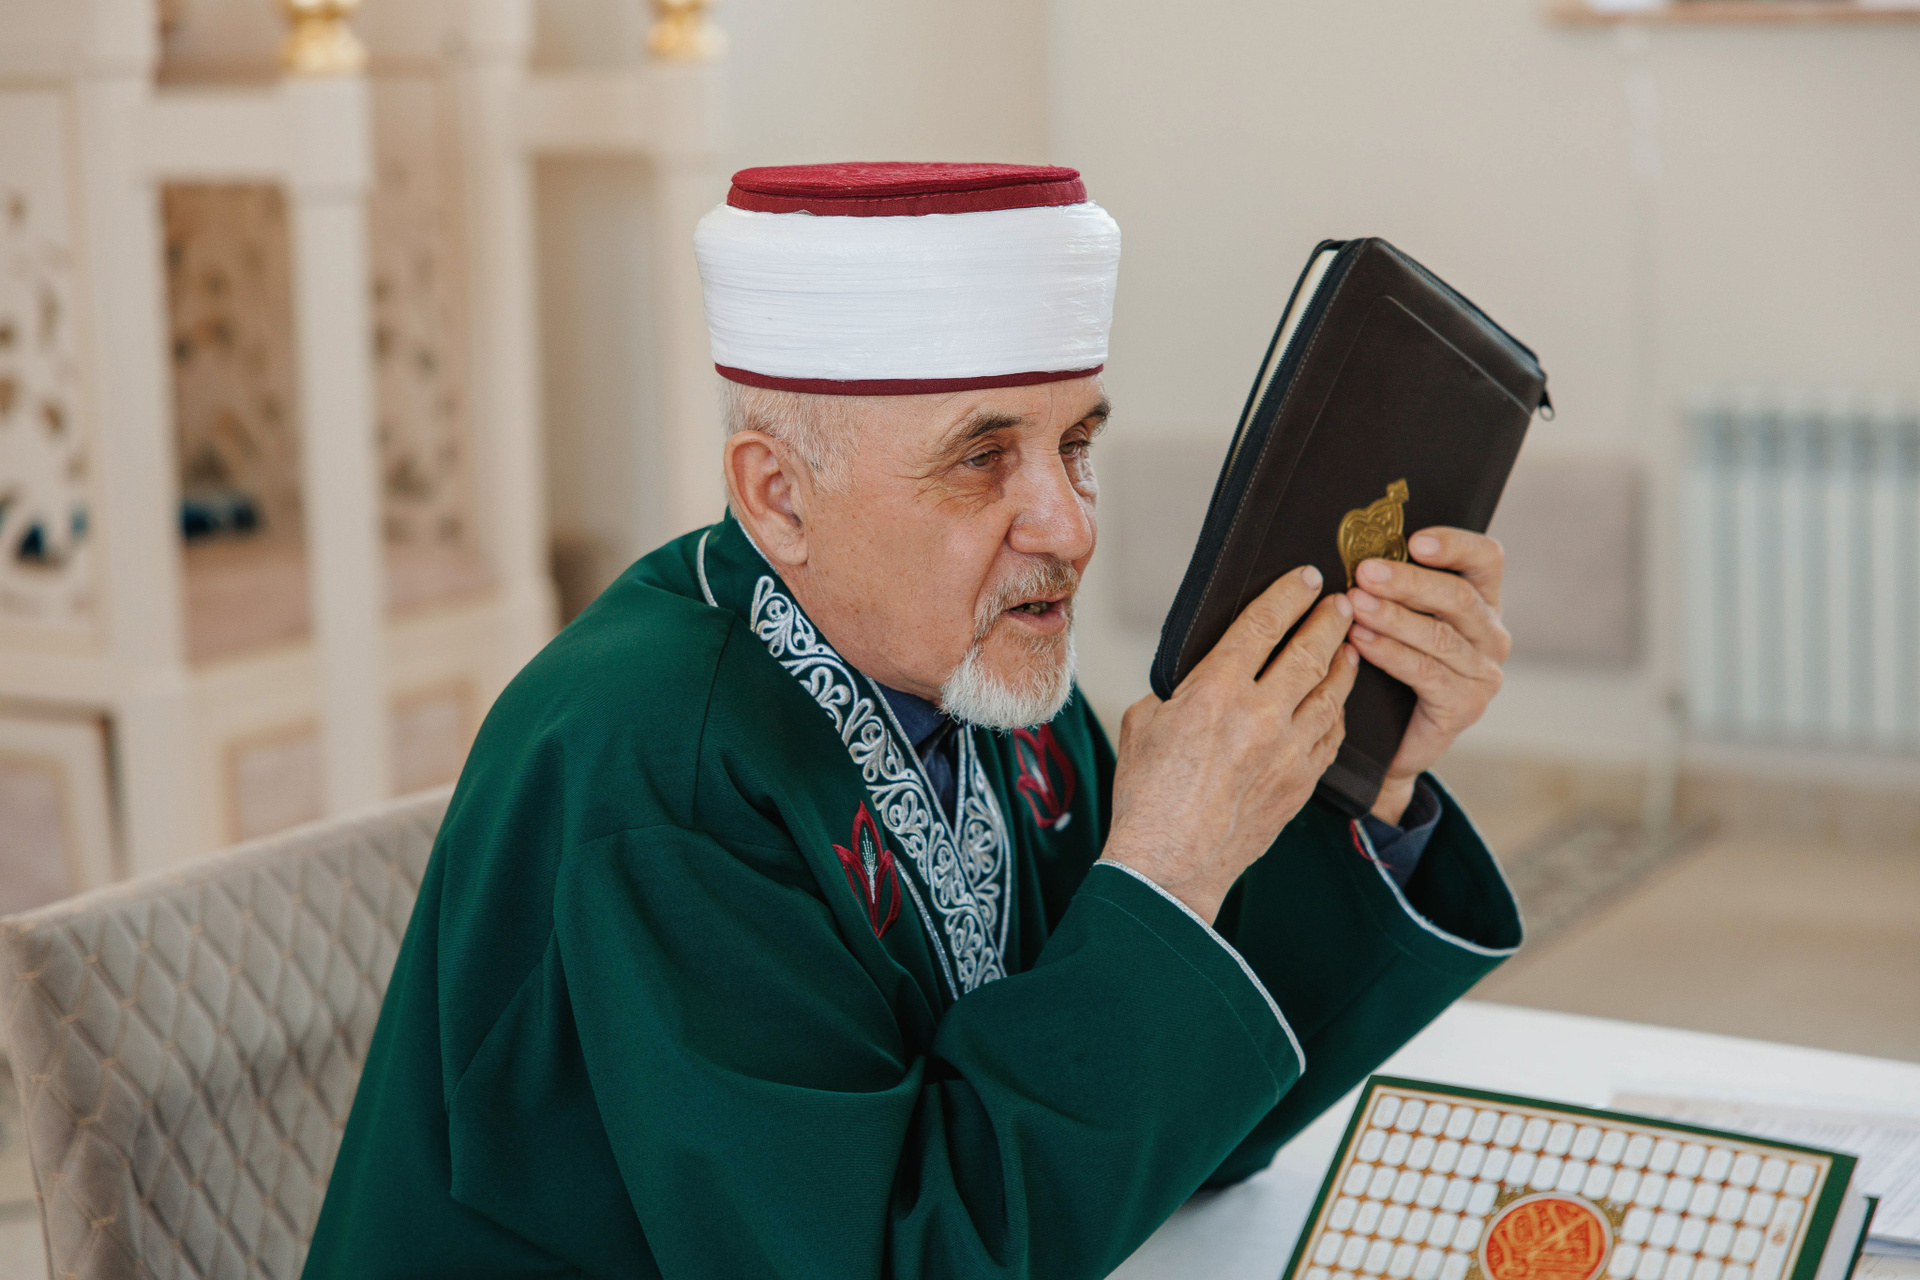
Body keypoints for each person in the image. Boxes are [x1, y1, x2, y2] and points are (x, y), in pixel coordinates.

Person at [305, 162, 1522, 1280]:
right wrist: (1165, 868)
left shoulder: (986, 673)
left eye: (1075, 445)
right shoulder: (664, 771)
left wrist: (1370, 770)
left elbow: (1170, 1124)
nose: (1069, 525)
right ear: (778, 497)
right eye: (982, 459)